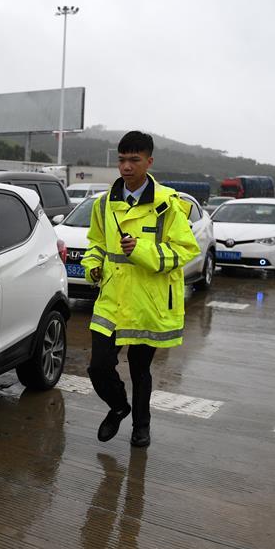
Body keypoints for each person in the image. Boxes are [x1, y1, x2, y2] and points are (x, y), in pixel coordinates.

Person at [79, 131, 199, 447]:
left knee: (140, 371)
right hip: (112, 301)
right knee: (98, 367)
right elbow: (95, 243)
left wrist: (142, 248)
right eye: (122, 160)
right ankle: (119, 407)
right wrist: (92, 265)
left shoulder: (168, 205)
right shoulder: (104, 203)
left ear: (149, 161)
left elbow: (185, 251)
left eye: (134, 160)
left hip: (149, 303)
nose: (127, 166)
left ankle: (141, 427)